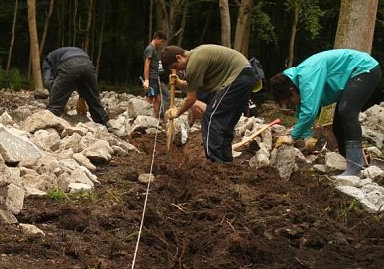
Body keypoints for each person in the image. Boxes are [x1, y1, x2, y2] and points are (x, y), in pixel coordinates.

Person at [270, 49, 381, 177]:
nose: (292, 104)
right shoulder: (297, 81)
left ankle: (355, 167)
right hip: (352, 75)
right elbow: (302, 109)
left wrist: (292, 137)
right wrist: (307, 136)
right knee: (338, 127)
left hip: (364, 69)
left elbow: (310, 112)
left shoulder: (307, 75)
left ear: (291, 90)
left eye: (289, 101)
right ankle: (351, 165)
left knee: (346, 111)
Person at [161, 44, 257, 163]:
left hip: (237, 76)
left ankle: (214, 163)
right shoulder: (197, 55)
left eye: (176, 66)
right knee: (226, 122)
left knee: (210, 117)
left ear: (179, 57)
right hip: (246, 75)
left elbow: (191, 99)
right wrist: (180, 83)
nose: (179, 70)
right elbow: (199, 85)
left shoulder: (193, 64)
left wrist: (176, 113)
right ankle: (226, 160)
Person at [41, 46, 110, 125]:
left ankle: (48, 125)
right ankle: (104, 123)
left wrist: (58, 99)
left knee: (54, 107)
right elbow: (83, 81)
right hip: (87, 62)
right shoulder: (61, 54)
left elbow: (49, 81)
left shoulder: (47, 61)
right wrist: (82, 98)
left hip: (68, 63)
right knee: (94, 99)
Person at [142, 31, 170, 118]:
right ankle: (145, 117)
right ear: (157, 38)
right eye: (161, 42)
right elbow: (147, 64)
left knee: (158, 99)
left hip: (156, 77)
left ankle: (154, 117)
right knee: (150, 98)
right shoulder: (150, 49)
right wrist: (146, 79)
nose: (161, 44)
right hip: (152, 77)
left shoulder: (154, 49)